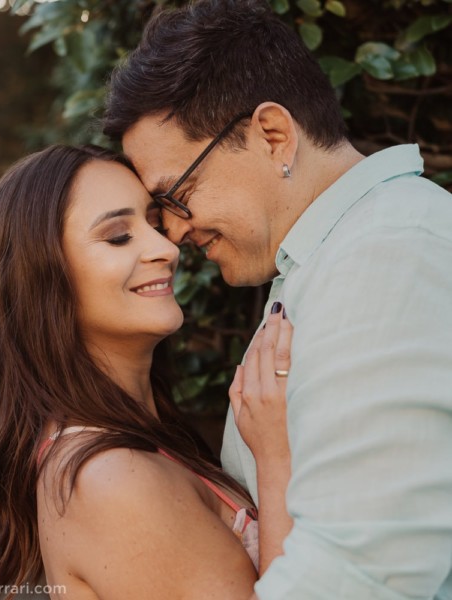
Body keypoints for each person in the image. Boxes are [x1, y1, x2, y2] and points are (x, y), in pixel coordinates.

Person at [103, 0, 452, 598]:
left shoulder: (387, 256)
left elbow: (361, 576)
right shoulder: (332, 260)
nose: (175, 233)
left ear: (273, 135)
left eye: (178, 196)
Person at [0, 144, 294, 599]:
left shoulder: (137, 444)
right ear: (44, 277)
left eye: (157, 224)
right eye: (119, 236)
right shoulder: (109, 478)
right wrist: (276, 462)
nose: (166, 248)